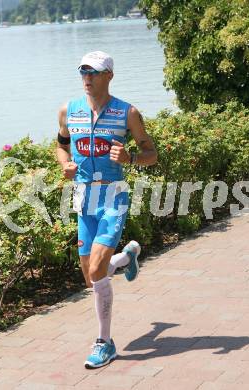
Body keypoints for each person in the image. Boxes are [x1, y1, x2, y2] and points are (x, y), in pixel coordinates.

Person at [56, 51, 157, 369]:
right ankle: (126, 258)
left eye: (94, 73)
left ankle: (105, 342)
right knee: (91, 277)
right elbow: (60, 144)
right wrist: (65, 165)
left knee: (97, 270)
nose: (87, 78)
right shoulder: (67, 110)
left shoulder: (127, 113)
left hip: (113, 196)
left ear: (109, 75)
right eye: (83, 72)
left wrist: (130, 159)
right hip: (83, 198)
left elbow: (151, 153)